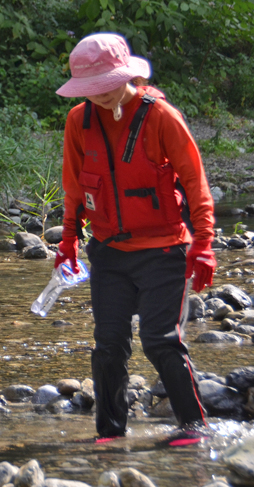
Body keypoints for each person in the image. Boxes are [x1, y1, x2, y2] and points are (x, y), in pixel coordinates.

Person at [54, 32, 217, 446]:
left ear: (127, 76)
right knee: (108, 345)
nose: (102, 96)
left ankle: (194, 426)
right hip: (108, 251)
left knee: (160, 340)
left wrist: (204, 243)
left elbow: (196, 183)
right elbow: (74, 187)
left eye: (108, 85)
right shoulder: (79, 120)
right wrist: (68, 241)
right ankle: (111, 432)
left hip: (164, 249)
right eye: (92, 89)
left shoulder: (161, 116)